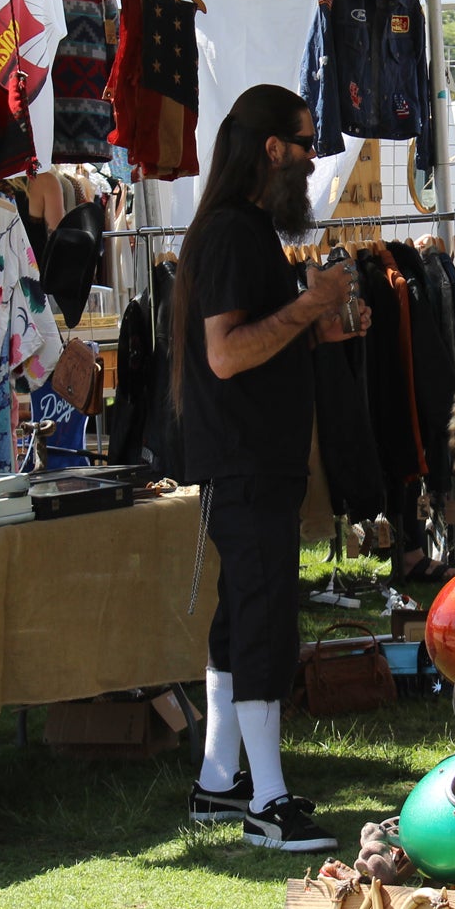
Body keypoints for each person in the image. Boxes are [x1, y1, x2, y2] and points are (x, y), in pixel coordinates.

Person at [173, 83, 368, 853]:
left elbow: (259, 340)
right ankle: (269, 801)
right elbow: (226, 353)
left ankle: (222, 783)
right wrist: (311, 302)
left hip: (258, 460)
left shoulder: (246, 229)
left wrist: (323, 319)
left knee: (240, 619)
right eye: (307, 142)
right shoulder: (230, 231)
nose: (315, 158)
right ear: (271, 149)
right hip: (245, 460)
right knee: (264, 625)